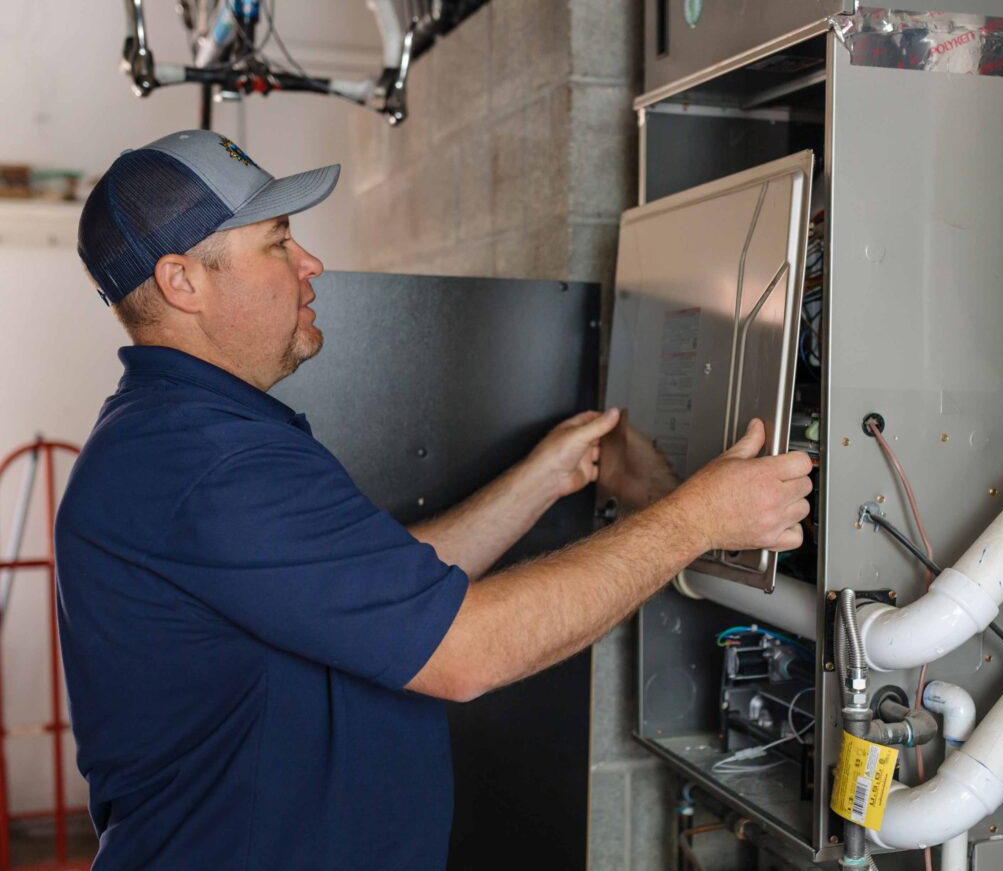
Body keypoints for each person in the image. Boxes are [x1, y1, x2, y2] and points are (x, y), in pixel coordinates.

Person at [56, 130, 812, 870]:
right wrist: (701, 518)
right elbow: (464, 651)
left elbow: (387, 590)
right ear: (183, 280)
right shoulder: (208, 461)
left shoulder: (189, 436)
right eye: (279, 242)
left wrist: (547, 474)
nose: (310, 263)